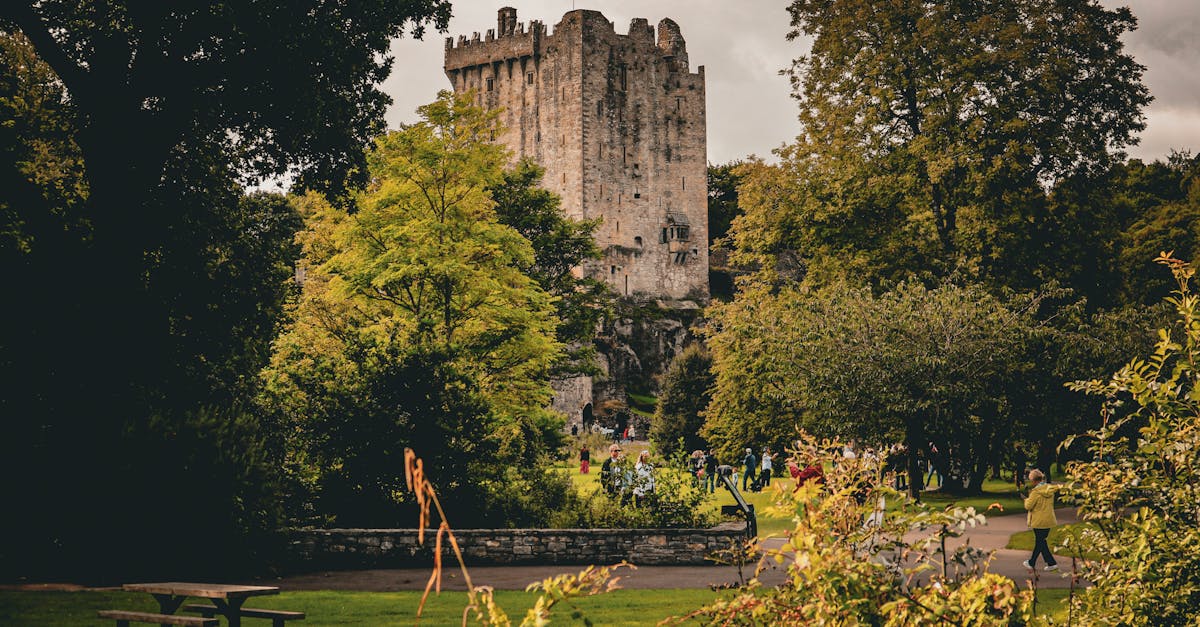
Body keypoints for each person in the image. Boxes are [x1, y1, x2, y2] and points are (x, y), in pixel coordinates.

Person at [1021, 468, 1060, 572]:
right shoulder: (1050, 489)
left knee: (1040, 542)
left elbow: (1028, 506)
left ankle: (1032, 562)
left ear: (1034, 480)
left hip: (1038, 520)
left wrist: (1026, 499)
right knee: (1041, 541)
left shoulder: (1035, 492)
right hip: (1048, 519)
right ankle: (1051, 563)